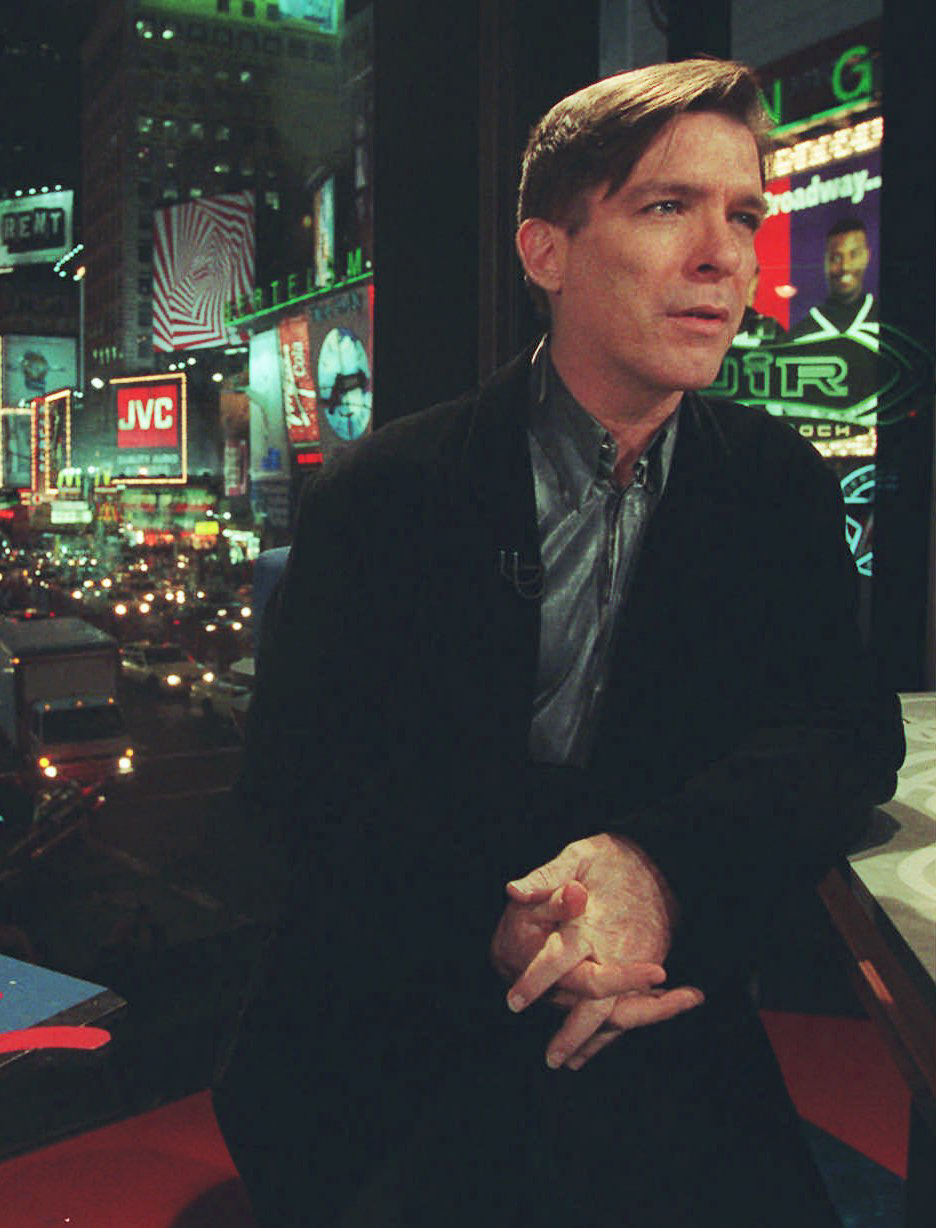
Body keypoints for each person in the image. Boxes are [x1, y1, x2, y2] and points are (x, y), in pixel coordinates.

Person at [212, 59, 904, 1228]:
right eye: (667, 206)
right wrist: (498, 924)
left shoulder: (778, 484)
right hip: (402, 1003)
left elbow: (843, 735)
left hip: (656, 1002)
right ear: (547, 252)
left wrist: (660, 871)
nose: (725, 256)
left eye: (745, 214)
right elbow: (300, 784)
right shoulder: (383, 494)